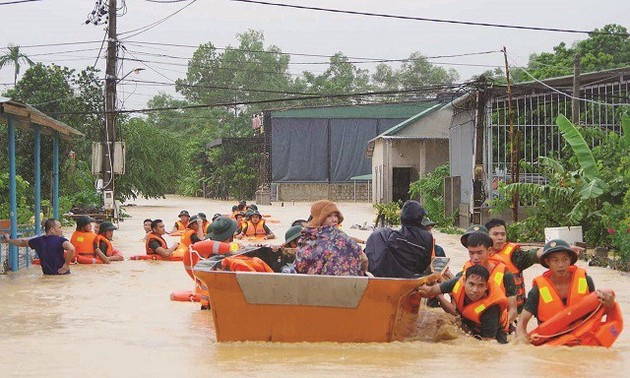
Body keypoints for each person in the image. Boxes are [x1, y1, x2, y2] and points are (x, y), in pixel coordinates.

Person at [516, 239, 616, 344]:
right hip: (553, 345)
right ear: (547, 262)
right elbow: (522, 323)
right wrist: (521, 343)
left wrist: (610, 304)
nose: (561, 265)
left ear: (570, 260)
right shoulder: (537, 291)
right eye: (555, 260)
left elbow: (598, 311)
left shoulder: (586, 281)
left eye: (565, 259)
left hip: (583, 341)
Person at [418, 265, 509, 343]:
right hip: (469, 324)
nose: (475, 290)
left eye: (480, 285)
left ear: (486, 286)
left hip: (495, 336)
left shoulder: (491, 309)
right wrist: (420, 285)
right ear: (464, 281)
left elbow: (487, 344)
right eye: (471, 284)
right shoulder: (456, 282)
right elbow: (430, 291)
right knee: (442, 322)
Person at [458, 228, 519, 325]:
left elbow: (513, 311)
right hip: (470, 321)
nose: (475, 258)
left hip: (496, 325)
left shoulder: (505, 274)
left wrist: (501, 327)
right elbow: (454, 293)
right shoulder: (465, 271)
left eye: (479, 252)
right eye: (471, 253)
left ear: (489, 250)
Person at [364, 200, 434, 278]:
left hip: (386, 276)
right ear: (420, 218)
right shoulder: (427, 237)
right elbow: (425, 263)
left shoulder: (385, 236)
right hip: (413, 277)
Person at [485, 218, 543, 312]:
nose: (500, 237)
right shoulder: (480, 254)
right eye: (495, 234)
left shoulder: (514, 255)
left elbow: (532, 254)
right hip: (492, 309)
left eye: (503, 234)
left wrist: (556, 250)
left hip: (516, 309)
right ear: (487, 236)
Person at [295, 200, 366, 276]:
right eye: (329, 216)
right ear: (319, 218)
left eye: (335, 216)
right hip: (343, 285)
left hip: (311, 284)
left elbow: (299, 266)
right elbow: (364, 259)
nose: (334, 220)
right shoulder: (339, 237)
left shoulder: (305, 237)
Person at [3, 218, 75, 275]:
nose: (61, 230)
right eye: (60, 227)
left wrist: (9, 240)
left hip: (47, 275)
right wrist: (66, 264)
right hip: (63, 274)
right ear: (52, 229)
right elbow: (71, 249)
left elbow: (22, 242)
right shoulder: (61, 240)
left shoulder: (38, 241)